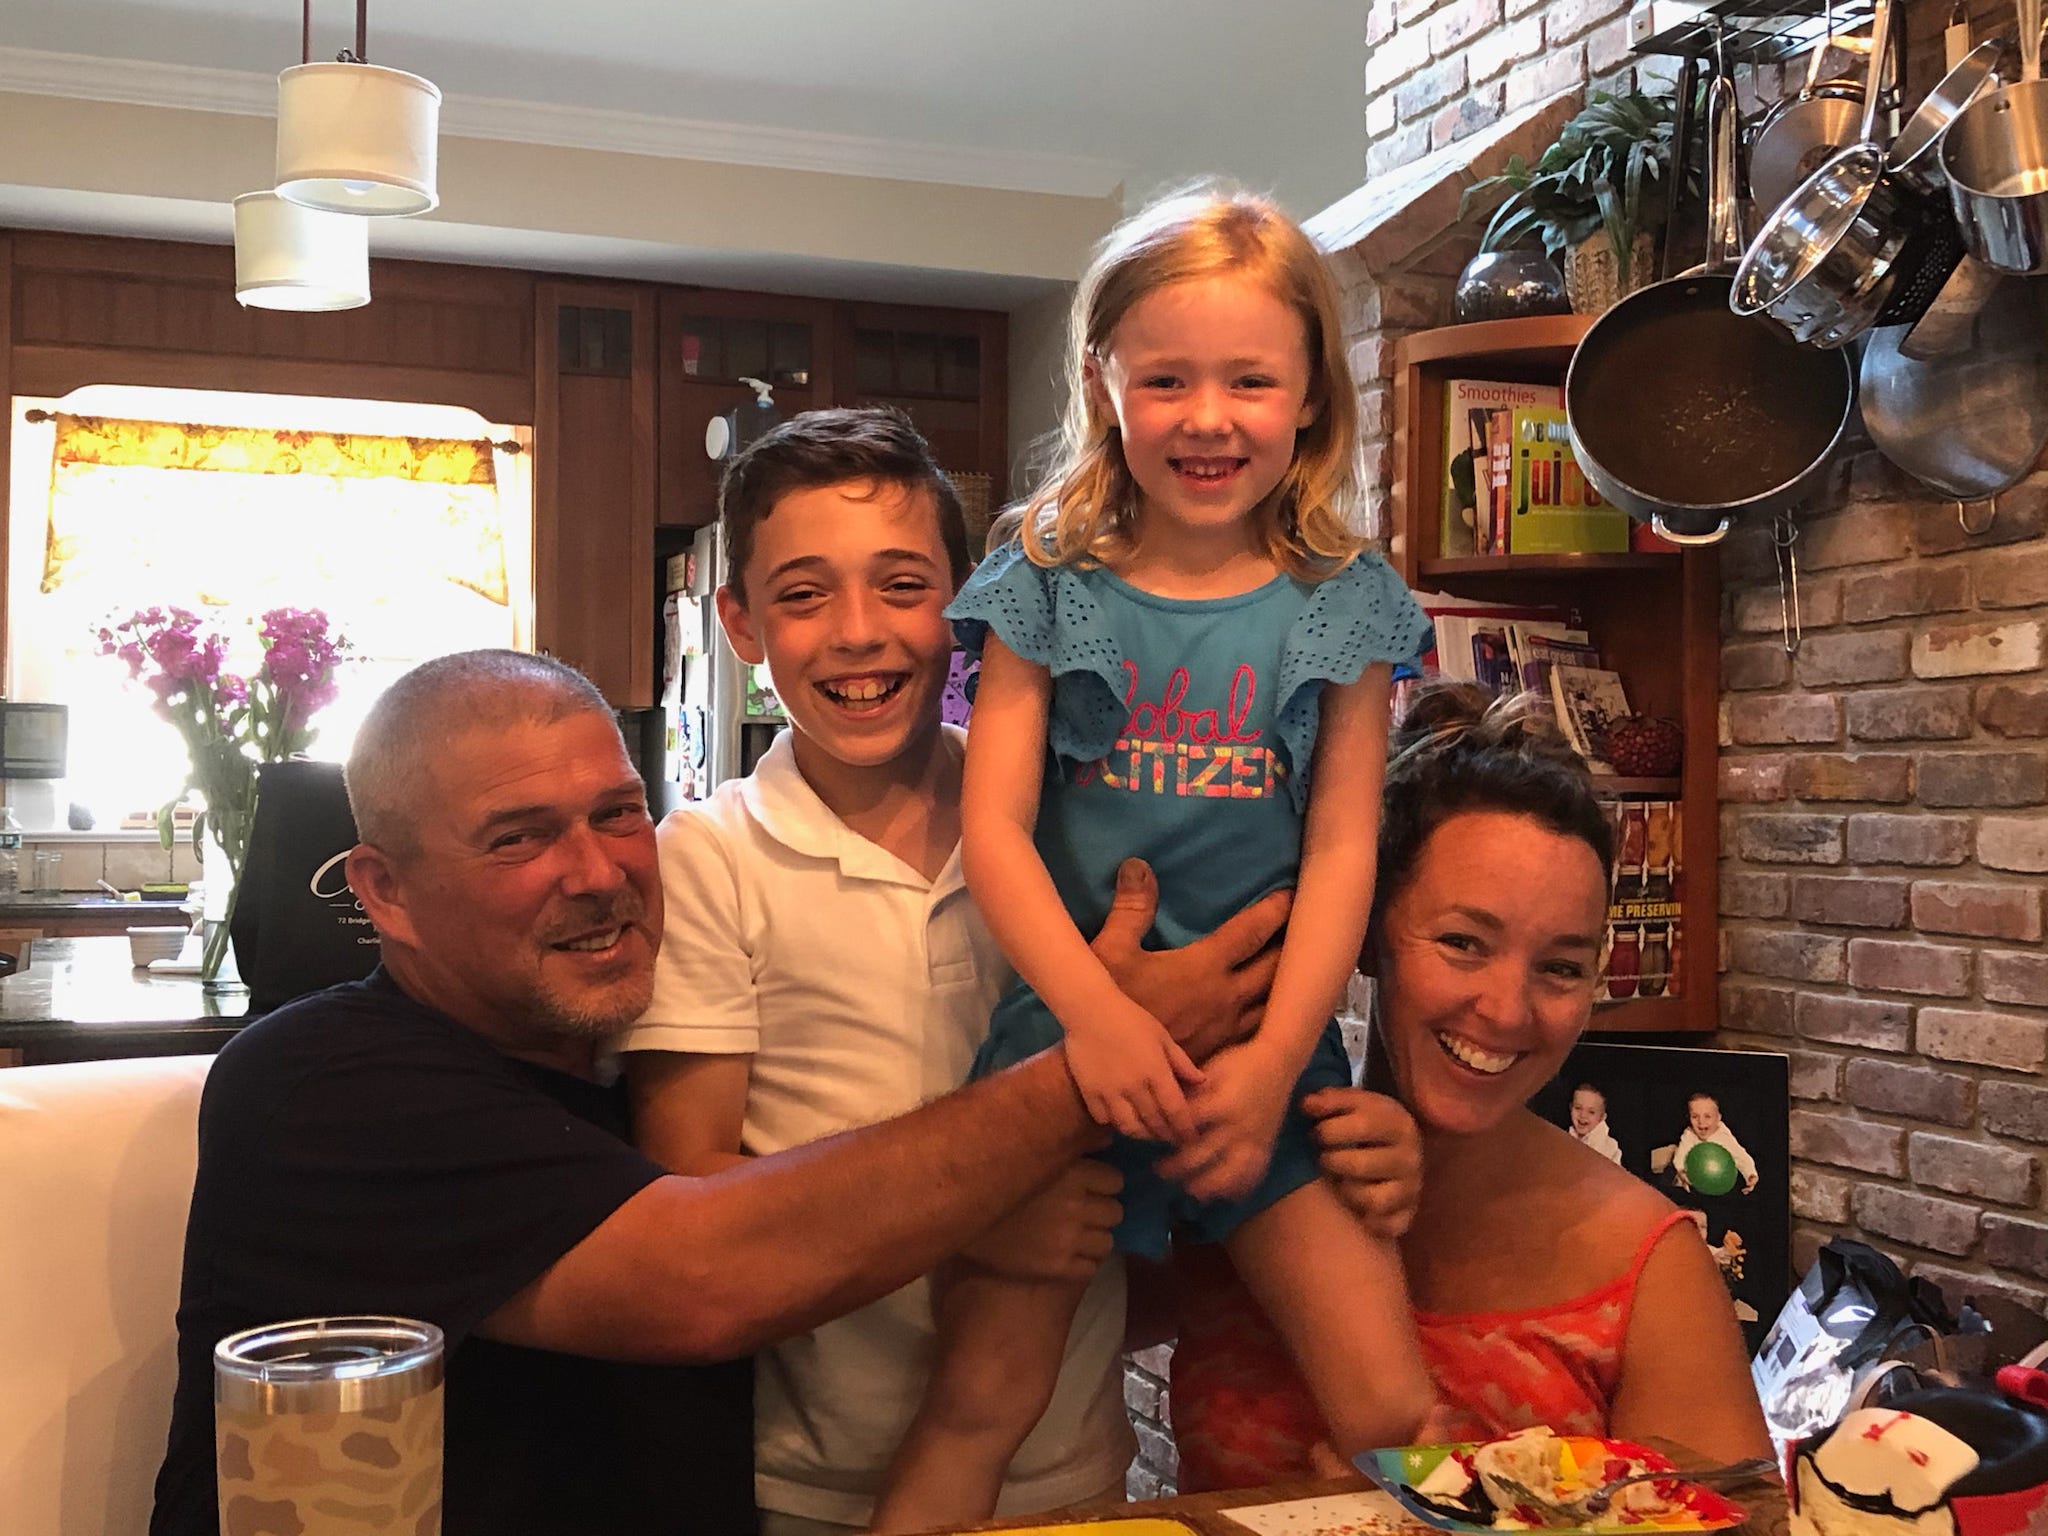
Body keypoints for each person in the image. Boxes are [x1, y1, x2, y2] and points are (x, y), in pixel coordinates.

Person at [146, 648, 1285, 1536]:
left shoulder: (644, 1081)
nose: (598, 873)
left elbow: (872, 1270)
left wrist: (1310, 1164)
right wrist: (1103, 1059)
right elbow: (704, 1280)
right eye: (518, 839)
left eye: (617, 812)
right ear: (385, 892)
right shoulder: (318, 1084)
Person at [873, 183, 1436, 1532]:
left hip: (1267, 1057)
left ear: (1310, 393)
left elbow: (1344, 846)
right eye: (1166, 379)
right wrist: (1099, 1028)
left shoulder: (1347, 600)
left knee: (1391, 1410)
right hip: (1067, 1047)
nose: (1206, 417)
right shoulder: (1043, 577)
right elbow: (995, 832)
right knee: (980, 1403)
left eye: (1250, 380)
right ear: (1101, 383)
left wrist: (1275, 1064)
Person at [621, 410, 1139, 1532]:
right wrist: (966, 1218)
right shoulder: (708, 859)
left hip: (1079, 1467)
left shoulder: (1066, 823)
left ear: (967, 602)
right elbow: (690, 1197)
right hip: (810, 1490)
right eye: (804, 595)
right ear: (741, 623)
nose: (858, 633)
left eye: (902, 586)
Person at [1167, 685, 1773, 1491]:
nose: (1507, 1010)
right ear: (1362, 933)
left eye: (1561, 968)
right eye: (1463, 943)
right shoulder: (1250, 1166)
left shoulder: (1649, 1273)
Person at [1676, 1091, 1760, 1194]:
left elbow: (1740, 1156)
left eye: (1707, 1116)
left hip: (1712, 1185)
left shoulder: (1723, 1136)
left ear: (1718, 1118)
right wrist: (1682, 1171)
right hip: (1688, 1181)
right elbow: (1681, 1155)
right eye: (1694, 1116)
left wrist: (1751, 1174)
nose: (1701, 1122)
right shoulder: (1689, 1134)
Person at [1569, 1082, 1624, 1164]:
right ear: (1570, 1108)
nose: (1583, 1115)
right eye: (1578, 1108)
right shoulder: (1563, 1137)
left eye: (1591, 1112)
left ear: (1602, 1117)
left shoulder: (1610, 1147)